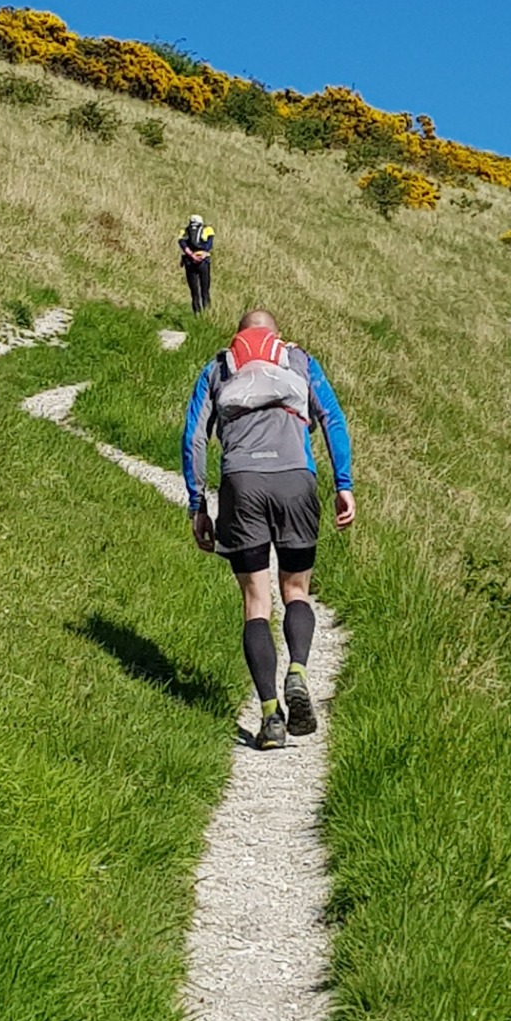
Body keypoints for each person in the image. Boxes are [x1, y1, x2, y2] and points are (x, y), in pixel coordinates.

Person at [181, 309, 355, 748]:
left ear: (238, 337)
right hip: (296, 479)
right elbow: (333, 419)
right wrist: (344, 484)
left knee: (256, 602)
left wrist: (198, 503)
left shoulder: (218, 368)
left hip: (242, 483)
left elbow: (194, 437)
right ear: (277, 336)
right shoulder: (300, 361)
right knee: (296, 590)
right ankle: (298, 670)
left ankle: (270, 715)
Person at [178, 214, 214, 312]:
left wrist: (191, 255)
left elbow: (182, 243)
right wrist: (204, 253)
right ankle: (207, 312)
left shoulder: (184, 231)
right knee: (205, 290)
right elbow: (210, 243)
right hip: (204, 261)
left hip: (190, 261)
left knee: (194, 292)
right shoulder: (208, 229)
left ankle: (196, 313)